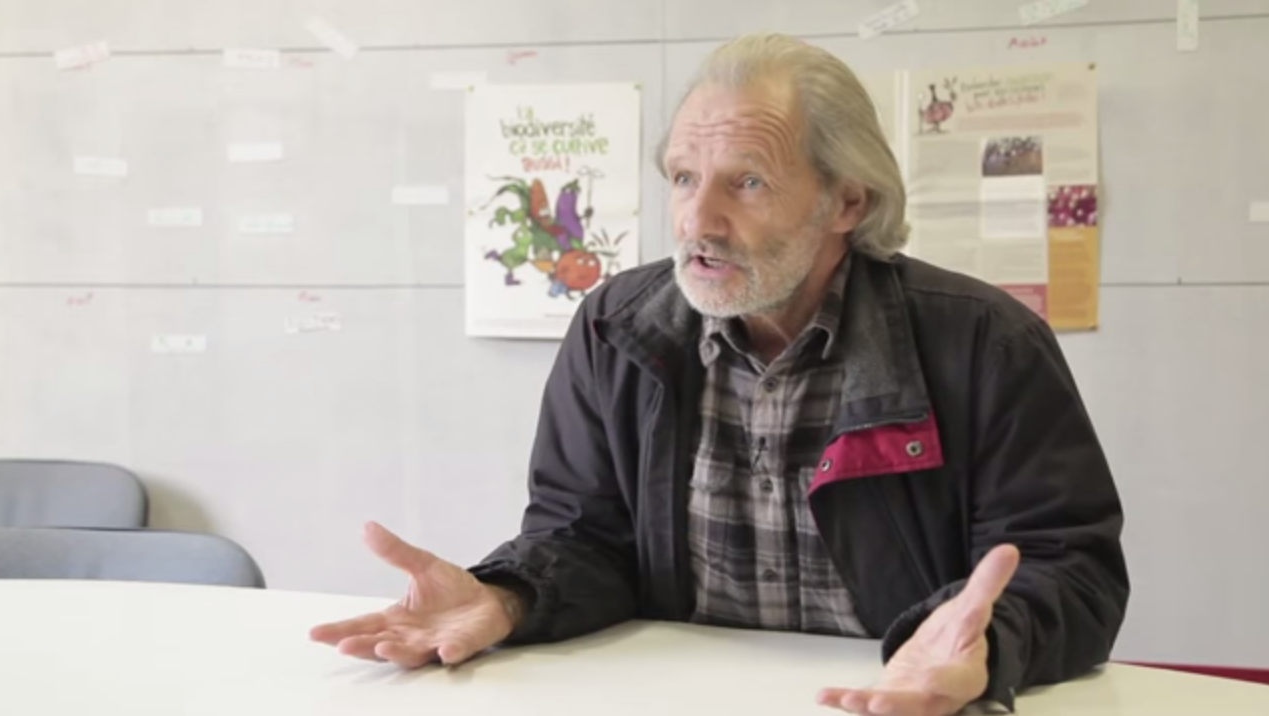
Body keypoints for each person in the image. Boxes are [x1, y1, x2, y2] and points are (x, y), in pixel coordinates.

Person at [310, 33, 1129, 716]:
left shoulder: (983, 342)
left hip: (890, 702)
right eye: (682, 177)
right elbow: (584, 540)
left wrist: (986, 643)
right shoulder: (614, 329)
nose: (698, 221)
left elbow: (1073, 573)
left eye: (747, 181)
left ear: (846, 202)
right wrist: (506, 597)